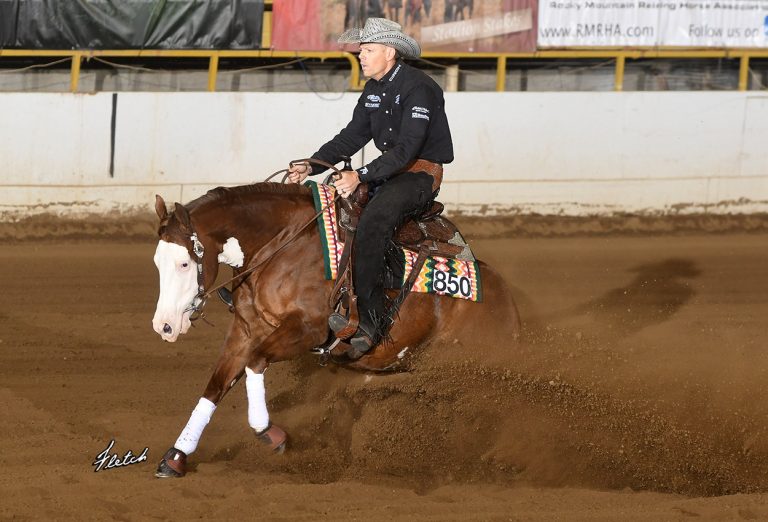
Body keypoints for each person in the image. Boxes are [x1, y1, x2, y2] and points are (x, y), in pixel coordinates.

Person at [287, 17, 453, 359]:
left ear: (389, 52)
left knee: (374, 221)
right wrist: (312, 164)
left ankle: (372, 319)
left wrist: (360, 175)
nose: (361, 56)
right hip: (390, 171)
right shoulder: (374, 90)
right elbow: (352, 136)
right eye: (361, 50)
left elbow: (408, 149)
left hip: (420, 175)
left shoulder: (418, 88)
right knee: (330, 213)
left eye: (368, 50)